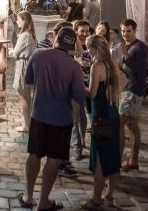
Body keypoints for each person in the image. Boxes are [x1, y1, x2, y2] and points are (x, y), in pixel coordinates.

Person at [19, 27, 87, 211]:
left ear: (55, 38)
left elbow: (29, 80)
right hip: (61, 118)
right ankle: (43, 202)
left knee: (34, 153)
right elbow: (80, 97)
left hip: (39, 114)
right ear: (72, 44)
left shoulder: (39, 55)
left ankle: (27, 195)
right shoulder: (74, 66)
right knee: (54, 159)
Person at [81, 34, 122, 209]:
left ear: (94, 48)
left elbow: (92, 93)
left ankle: (96, 199)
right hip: (113, 113)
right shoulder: (111, 65)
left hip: (101, 115)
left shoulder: (97, 66)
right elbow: (123, 83)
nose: (87, 52)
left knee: (98, 159)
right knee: (113, 157)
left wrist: (79, 84)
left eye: (88, 49)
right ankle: (110, 195)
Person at [117, 18, 148, 171]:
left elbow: (140, 71)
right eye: (123, 31)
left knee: (120, 125)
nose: (125, 34)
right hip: (126, 89)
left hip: (133, 91)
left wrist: (125, 56)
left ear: (135, 31)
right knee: (132, 125)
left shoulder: (141, 47)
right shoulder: (127, 46)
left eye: (128, 31)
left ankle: (116, 161)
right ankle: (133, 161)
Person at [12, 11, 37, 133]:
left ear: (24, 21)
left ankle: (27, 125)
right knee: (26, 96)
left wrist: (13, 51)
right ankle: (29, 122)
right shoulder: (30, 34)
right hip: (26, 64)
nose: (16, 21)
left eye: (18, 19)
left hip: (23, 65)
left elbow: (15, 52)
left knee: (23, 97)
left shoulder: (24, 36)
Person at [72, 20, 92, 161]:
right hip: (75, 85)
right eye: (82, 31)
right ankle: (76, 147)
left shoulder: (92, 45)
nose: (84, 33)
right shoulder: (72, 46)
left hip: (90, 84)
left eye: (87, 31)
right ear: (76, 31)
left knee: (84, 116)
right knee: (75, 118)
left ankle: (83, 138)